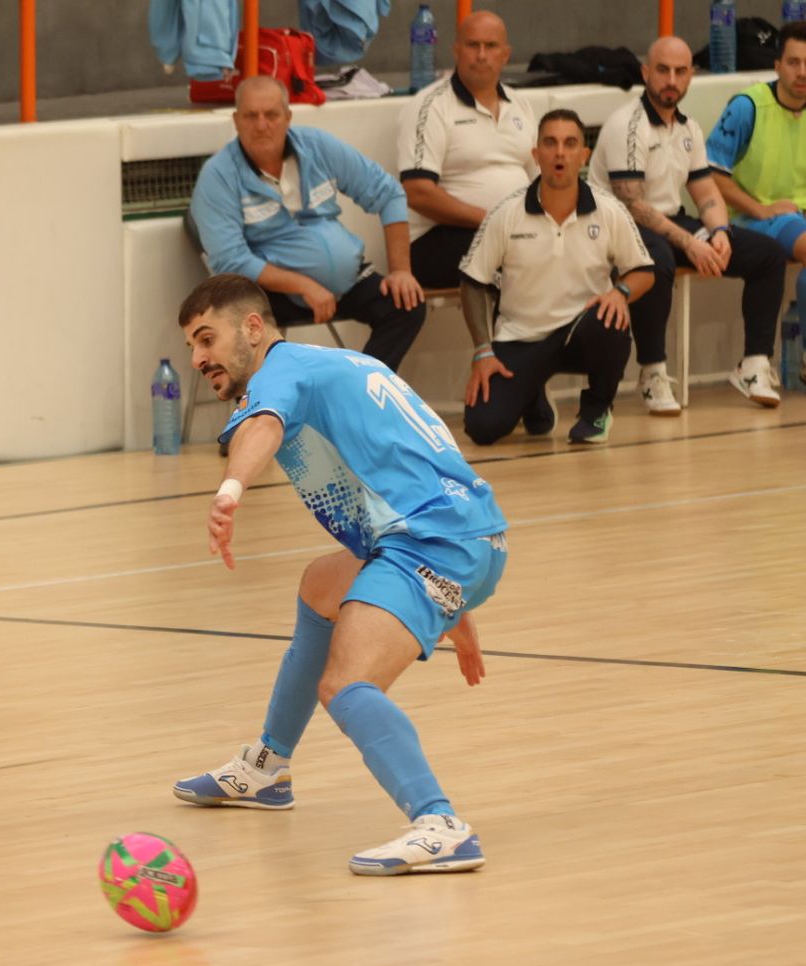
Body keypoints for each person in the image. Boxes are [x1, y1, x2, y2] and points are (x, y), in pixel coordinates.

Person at [170, 272, 503, 876]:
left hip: (436, 541)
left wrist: (229, 489)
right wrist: (459, 611)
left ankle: (439, 824)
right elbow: (415, 473)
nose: (197, 358)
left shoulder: (281, 372)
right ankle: (268, 769)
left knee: (345, 686)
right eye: (192, 346)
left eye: (206, 339)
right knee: (321, 587)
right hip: (453, 534)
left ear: (252, 328)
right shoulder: (332, 366)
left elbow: (262, 425)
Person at [592, 36, 787, 415]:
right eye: (662, 70)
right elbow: (632, 204)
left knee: (767, 255)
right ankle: (652, 372)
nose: (671, 79)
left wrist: (718, 232)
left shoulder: (688, 128)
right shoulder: (627, 125)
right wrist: (691, 243)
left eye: (680, 71)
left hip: (669, 220)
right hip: (617, 224)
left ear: (690, 76)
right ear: (646, 73)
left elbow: (705, 191)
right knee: (658, 258)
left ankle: (755, 365)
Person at [190, 75, 426, 373]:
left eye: (271, 115)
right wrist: (304, 285)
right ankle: (268, 415)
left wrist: (401, 271)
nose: (262, 125)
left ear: (288, 117)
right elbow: (230, 259)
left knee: (406, 306)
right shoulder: (218, 175)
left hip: (345, 282)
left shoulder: (317, 146)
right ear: (236, 121)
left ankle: (358, 395)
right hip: (270, 294)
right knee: (244, 335)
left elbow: (388, 193)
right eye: (251, 116)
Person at [460, 109, 655, 445]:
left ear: (584, 155)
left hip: (582, 331)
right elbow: (472, 281)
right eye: (550, 143)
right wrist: (482, 351)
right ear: (536, 155)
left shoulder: (609, 210)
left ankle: (596, 411)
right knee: (482, 427)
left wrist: (620, 291)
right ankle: (531, 394)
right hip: (520, 338)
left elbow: (644, 271)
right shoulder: (506, 213)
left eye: (570, 143)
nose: (560, 152)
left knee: (613, 317)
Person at [706, 19, 806, 407]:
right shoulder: (748, 106)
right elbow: (711, 175)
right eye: (794, 62)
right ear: (777, 65)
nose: (803, 72)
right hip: (752, 217)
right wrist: (761, 207)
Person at [399, 10, 537, 290]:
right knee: (524, 260)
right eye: (473, 45)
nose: (482, 55)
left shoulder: (521, 105)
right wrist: (491, 220)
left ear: (506, 54)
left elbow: (540, 181)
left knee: (574, 251)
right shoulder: (431, 106)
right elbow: (417, 192)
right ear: (456, 50)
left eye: (491, 46)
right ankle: (509, 335)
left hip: (510, 231)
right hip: (437, 239)